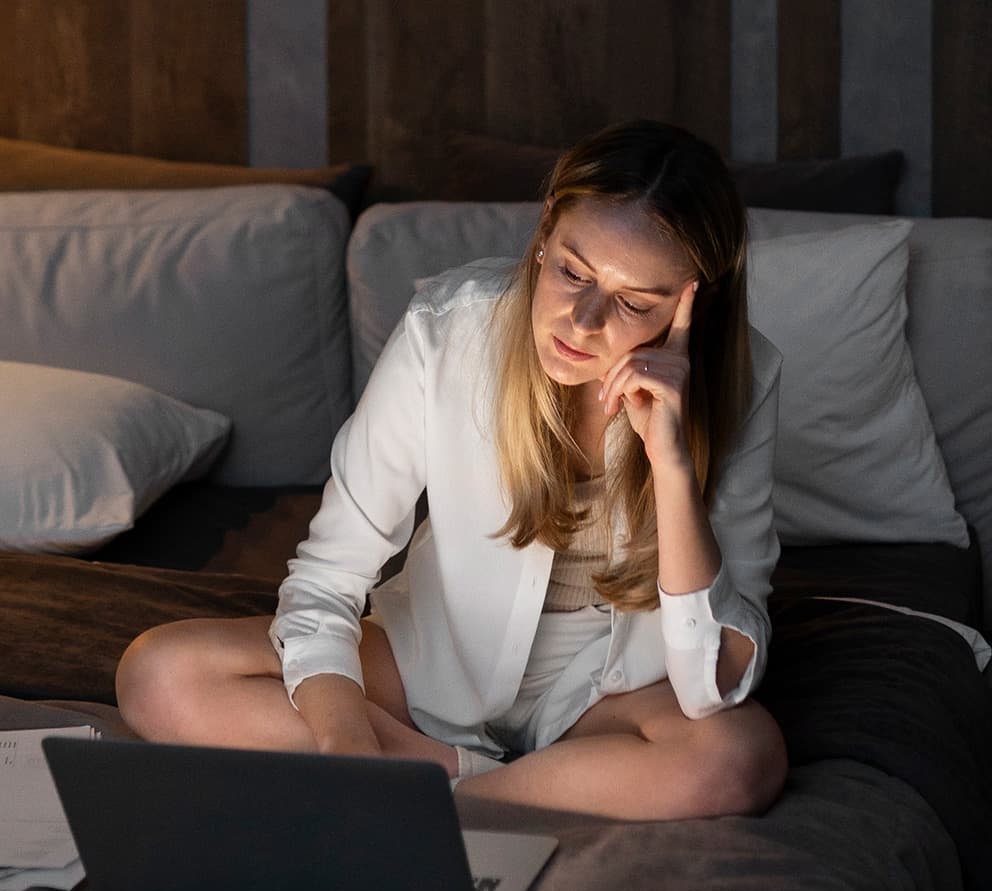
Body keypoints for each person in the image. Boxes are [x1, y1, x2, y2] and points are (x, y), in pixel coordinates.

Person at [116, 120, 788, 821]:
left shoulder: (743, 378)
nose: (582, 321)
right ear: (546, 229)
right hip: (436, 662)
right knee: (159, 673)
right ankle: (503, 778)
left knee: (740, 757)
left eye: (631, 303)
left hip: (611, 692)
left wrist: (671, 466)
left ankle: (449, 787)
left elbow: (711, 683)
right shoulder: (446, 333)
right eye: (571, 271)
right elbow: (327, 578)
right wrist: (343, 741)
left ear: (692, 303)